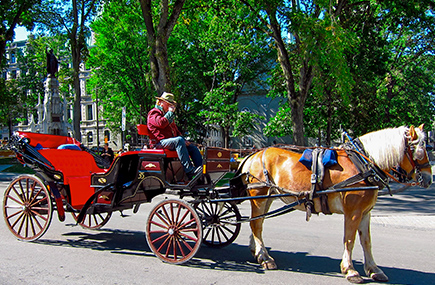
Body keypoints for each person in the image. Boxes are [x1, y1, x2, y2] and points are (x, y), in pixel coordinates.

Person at [147, 92, 202, 179]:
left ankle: (202, 170)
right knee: (178, 140)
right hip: (159, 143)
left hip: (171, 143)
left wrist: (185, 140)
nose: (170, 106)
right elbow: (161, 123)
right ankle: (189, 170)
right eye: (168, 103)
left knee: (192, 147)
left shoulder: (168, 116)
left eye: (171, 104)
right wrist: (170, 113)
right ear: (160, 102)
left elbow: (176, 131)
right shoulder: (154, 113)